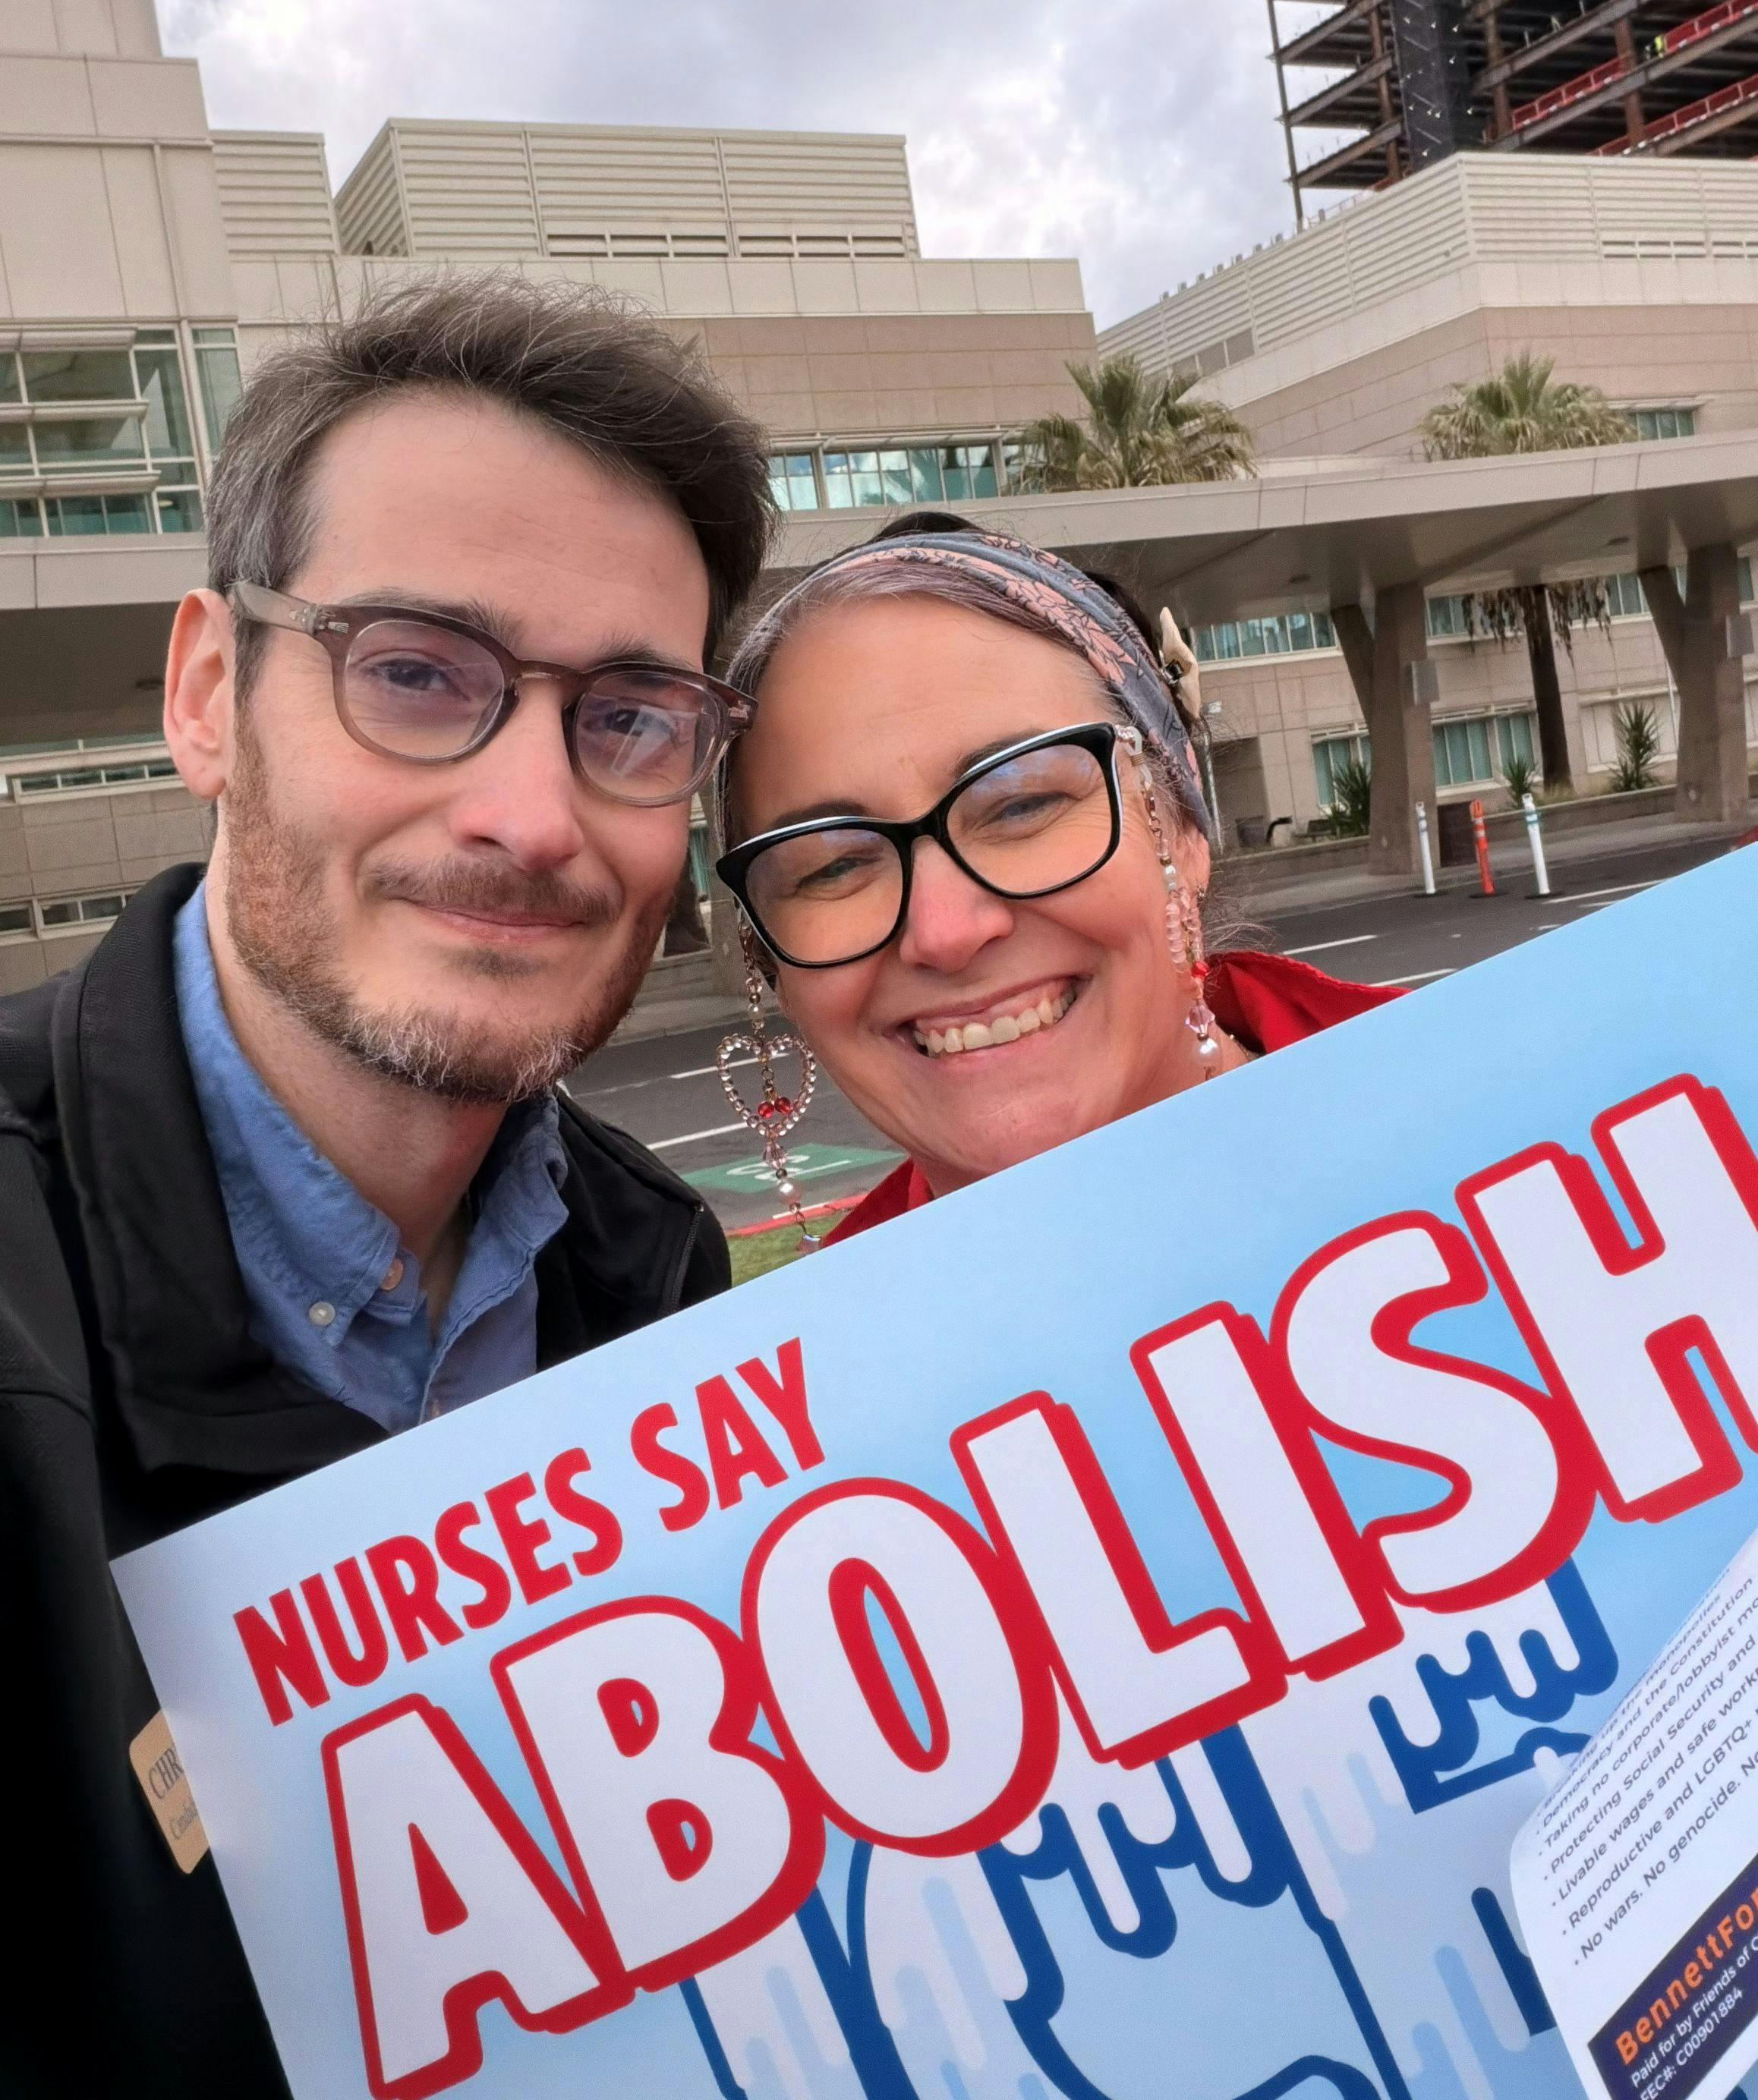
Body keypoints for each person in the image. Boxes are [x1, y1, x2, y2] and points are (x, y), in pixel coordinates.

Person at [0, 274, 773, 2098]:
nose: (528, 811)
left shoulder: (655, 1280)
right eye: (416, 671)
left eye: (629, 717)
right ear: (211, 693)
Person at [714, 512, 1397, 1241]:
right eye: (835, 864)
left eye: (1022, 803)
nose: (944, 932)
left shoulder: (1507, 1122)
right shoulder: (825, 1349)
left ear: (1186, 821)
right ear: (767, 958)